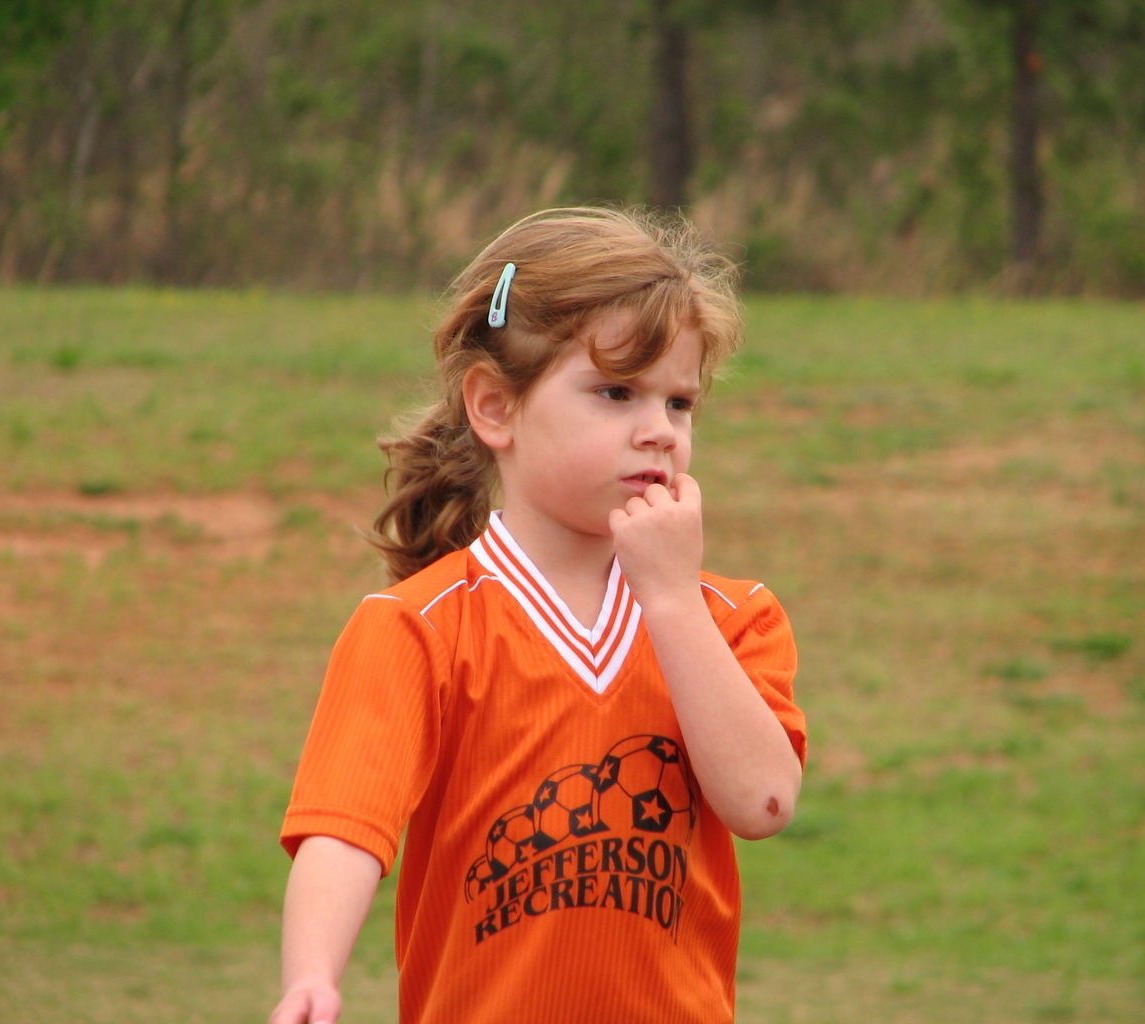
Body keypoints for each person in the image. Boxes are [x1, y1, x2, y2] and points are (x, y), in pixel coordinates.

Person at [270, 206, 807, 1024]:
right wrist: (311, 976)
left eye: (679, 403)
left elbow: (763, 804)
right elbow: (344, 830)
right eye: (616, 392)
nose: (657, 431)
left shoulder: (733, 618)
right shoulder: (416, 628)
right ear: (495, 408)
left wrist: (667, 596)